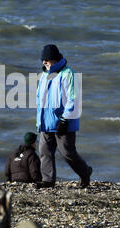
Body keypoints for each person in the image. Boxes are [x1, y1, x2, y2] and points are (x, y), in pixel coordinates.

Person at [36, 44, 92, 189]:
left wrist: (65, 118)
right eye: (43, 60)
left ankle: (85, 172)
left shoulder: (68, 74)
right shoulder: (43, 75)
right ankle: (48, 180)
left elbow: (73, 98)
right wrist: (39, 121)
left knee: (67, 153)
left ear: (55, 59)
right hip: (45, 122)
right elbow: (39, 98)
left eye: (47, 60)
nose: (44, 62)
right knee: (44, 151)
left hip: (63, 122)